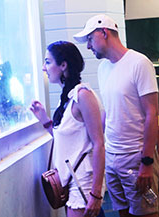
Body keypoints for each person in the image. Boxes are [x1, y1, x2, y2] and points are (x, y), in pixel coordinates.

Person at [73, 14, 159, 217]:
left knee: (146, 213)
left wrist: (147, 163)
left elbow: (152, 114)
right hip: (112, 158)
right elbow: (110, 113)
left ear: (104, 33)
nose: (88, 47)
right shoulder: (103, 69)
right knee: (123, 213)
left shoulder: (139, 63)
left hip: (136, 158)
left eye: (90, 40)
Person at [30, 41, 105, 217]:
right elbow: (67, 141)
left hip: (83, 184)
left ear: (63, 65)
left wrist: (96, 193)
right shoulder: (67, 98)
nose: (44, 68)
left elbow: (99, 144)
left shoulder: (83, 95)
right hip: (71, 181)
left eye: (48, 62)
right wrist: (45, 120)